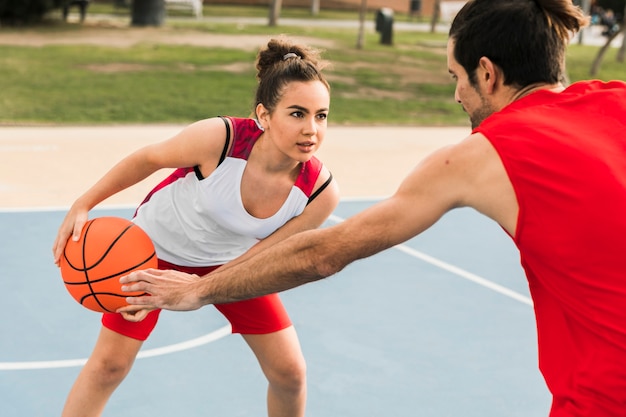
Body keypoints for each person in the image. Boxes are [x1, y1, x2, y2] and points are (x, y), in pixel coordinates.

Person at [120, 0, 626, 416]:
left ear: (487, 74)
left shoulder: (483, 153)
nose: (456, 94)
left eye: (457, 76)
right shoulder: (618, 101)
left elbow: (323, 254)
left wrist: (202, 289)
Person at [52, 37, 339, 417]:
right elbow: (148, 158)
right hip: (153, 253)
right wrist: (84, 202)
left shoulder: (319, 192)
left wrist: (205, 287)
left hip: (235, 264)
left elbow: (265, 256)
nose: (311, 129)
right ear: (264, 116)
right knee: (109, 367)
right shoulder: (221, 140)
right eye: (297, 113)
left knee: (290, 373)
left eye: (321, 116)